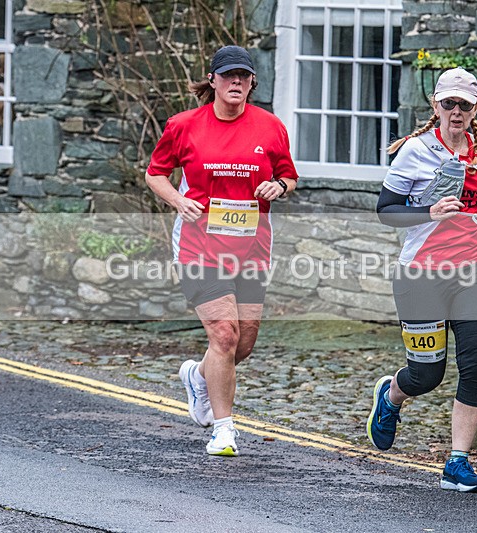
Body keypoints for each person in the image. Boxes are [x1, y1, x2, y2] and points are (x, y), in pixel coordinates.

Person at [367, 68, 477, 492]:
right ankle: (391, 397)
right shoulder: (415, 151)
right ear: (435, 106)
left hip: (473, 271)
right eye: (448, 104)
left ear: (476, 109)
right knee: (427, 374)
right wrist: (429, 212)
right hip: (420, 275)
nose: (455, 112)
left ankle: (458, 463)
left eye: (464, 105)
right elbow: (386, 210)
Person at [145, 45, 298, 457]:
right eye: (228, 75)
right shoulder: (183, 125)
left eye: (243, 77)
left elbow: (289, 176)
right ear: (212, 80)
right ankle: (223, 429)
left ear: (252, 83)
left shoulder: (270, 127)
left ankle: (197, 376)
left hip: (252, 247)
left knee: (241, 345)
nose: (236, 83)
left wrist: (277, 187)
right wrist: (179, 201)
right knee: (224, 334)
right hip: (199, 245)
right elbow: (155, 173)